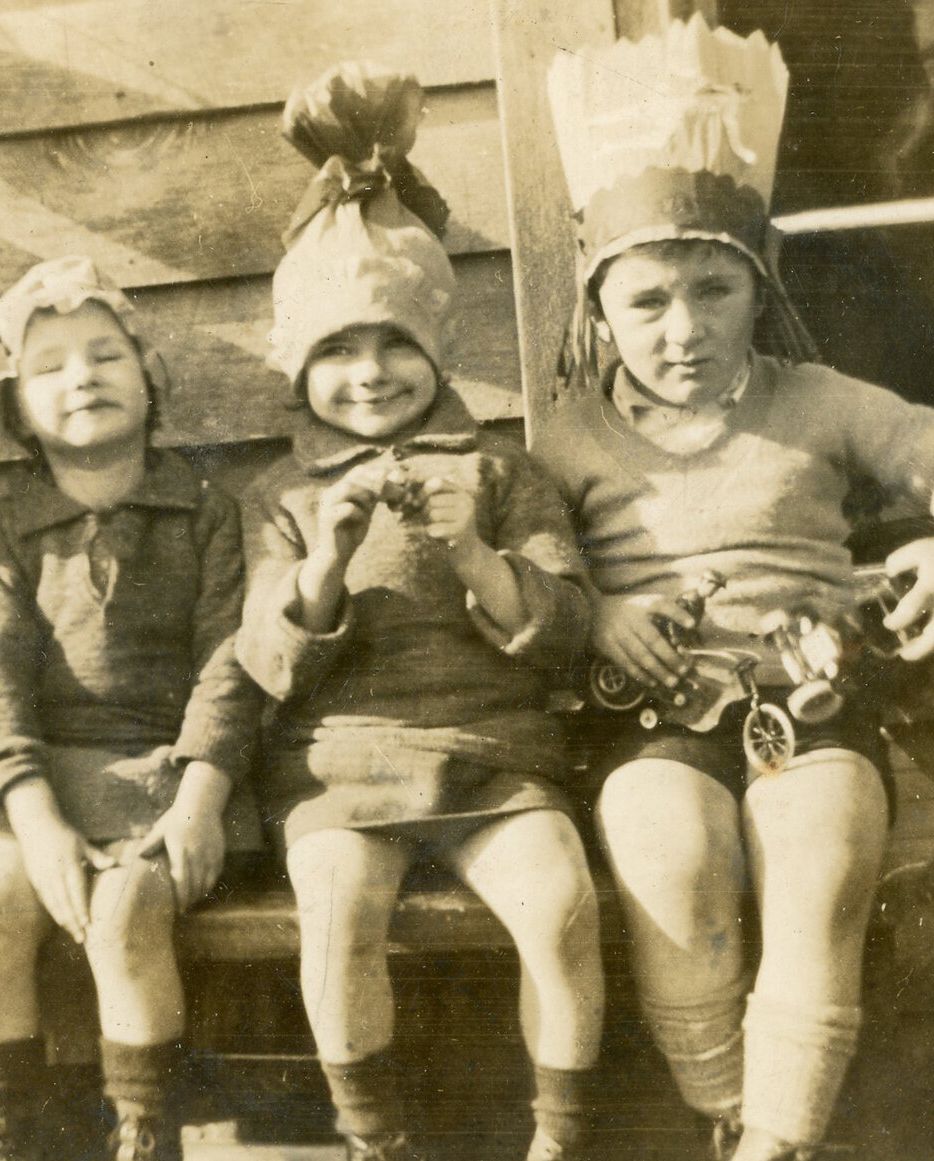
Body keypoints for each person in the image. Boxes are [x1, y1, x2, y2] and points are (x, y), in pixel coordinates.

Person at [538, 20, 934, 1161]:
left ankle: (776, 1143)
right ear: (597, 309)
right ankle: (731, 1114)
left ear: (756, 285)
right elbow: (524, 575)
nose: (683, 329)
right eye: (648, 301)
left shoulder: (817, 400)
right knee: (667, 861)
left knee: (818, 858)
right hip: (647, 720)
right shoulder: (564, 442)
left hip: (815, 705)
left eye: (712, 290)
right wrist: (599, 615)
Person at [236, 63, 603, 1161]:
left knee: (561, 907)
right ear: (298, 369)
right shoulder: (281, 497)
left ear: (437, 353)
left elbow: (571, 629)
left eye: (395, 342)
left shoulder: (497, 473)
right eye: (336, 351)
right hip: (340, 767)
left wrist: (471, 552)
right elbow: (264, 658)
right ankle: (374, 1140)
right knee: (336, 910)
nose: (368, 373)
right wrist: (329, 560)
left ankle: (560, 1140)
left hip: (496, 755)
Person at [0, 256, 260, 1161]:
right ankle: (5, 1135)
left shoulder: (207, 512)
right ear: (17, 409)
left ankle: (143, 1132)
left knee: (123, 915)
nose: (81, 376)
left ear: (150, 380)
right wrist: (35, 822)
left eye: (105, 355)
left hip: (177, 776)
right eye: (49, 367)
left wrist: (200, 798)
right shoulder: (1, 535)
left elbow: (229, 660)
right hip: (43, 779)